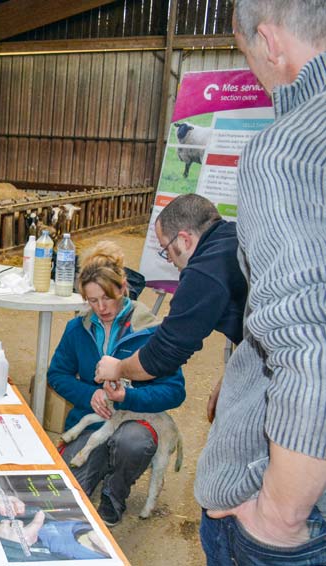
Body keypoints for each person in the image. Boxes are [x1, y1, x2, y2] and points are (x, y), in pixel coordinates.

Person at [194, 3, 326, 563]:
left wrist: (278, 516)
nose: (253, 72)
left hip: (297, 508)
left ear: (270, 42)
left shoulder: (288, 150)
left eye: (248, 56)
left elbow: (312, 345)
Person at [48, 242, 185, 526]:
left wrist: (127, 398)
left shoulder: (150, 332)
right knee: (66, 498)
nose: (101, 308)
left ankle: (115, 490)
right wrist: (92, 393)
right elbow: (57, 374)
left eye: (107, 298)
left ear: (123, 287)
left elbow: (175, 390)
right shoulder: (78, 328)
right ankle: (100, 462)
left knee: (132, 443)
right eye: (92, 301)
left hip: (134, 422)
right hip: (97, 422)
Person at [95, 194, 247, 422]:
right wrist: (235, 373)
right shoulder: (233, 238)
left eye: (166, 249)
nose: (169, 260)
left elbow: (161, 356)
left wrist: (118, 368)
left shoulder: (202, 273)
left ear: (185, 240)